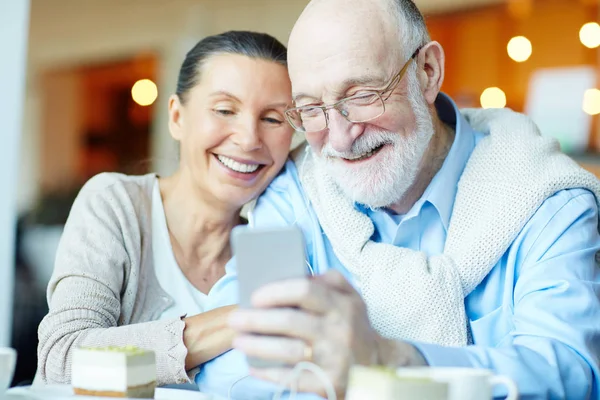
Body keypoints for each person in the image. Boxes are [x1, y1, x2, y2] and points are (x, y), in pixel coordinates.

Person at [193, 1, 600, 399]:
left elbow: (571, 373)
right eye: (311, 109)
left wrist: (391, 362)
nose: (339, 139)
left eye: (363, 94)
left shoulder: (547, 197)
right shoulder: (293, 194)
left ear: (427, 72)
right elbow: (231, 363)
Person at [35, 30, 295, 386]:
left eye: (273, 118)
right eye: (224, 110)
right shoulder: (117, 204)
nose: (249, 138)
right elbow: (62, 359)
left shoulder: (274, 240)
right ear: (176, 117)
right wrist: (243, 319)